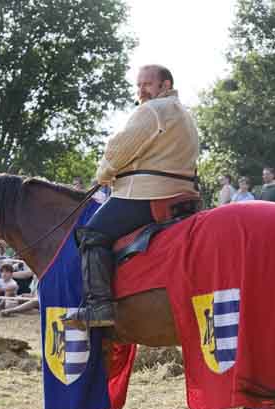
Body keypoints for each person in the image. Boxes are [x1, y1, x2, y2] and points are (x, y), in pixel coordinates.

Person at [61, 65, 198, 329]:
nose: (141, 91)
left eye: (147, 84)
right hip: (183, 194)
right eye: (138, 85)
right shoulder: (185, 116)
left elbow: (121, 149)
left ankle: (98, 306)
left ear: (166, 85)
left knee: (91, 233)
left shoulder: (152, 111)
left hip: (148, 193)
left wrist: (103, 173)